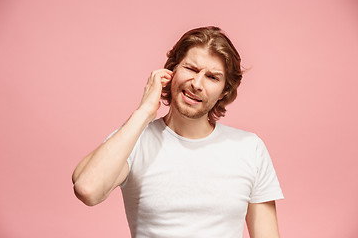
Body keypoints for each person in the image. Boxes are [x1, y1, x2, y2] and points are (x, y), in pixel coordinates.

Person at [72, 26, 284, 238]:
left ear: (224, 92)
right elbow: (87, 189)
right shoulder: (134, 139)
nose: (197, 84)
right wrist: (145, 111)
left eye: (212, 77)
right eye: (191, 69)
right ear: (171, 71)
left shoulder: (249, 148)